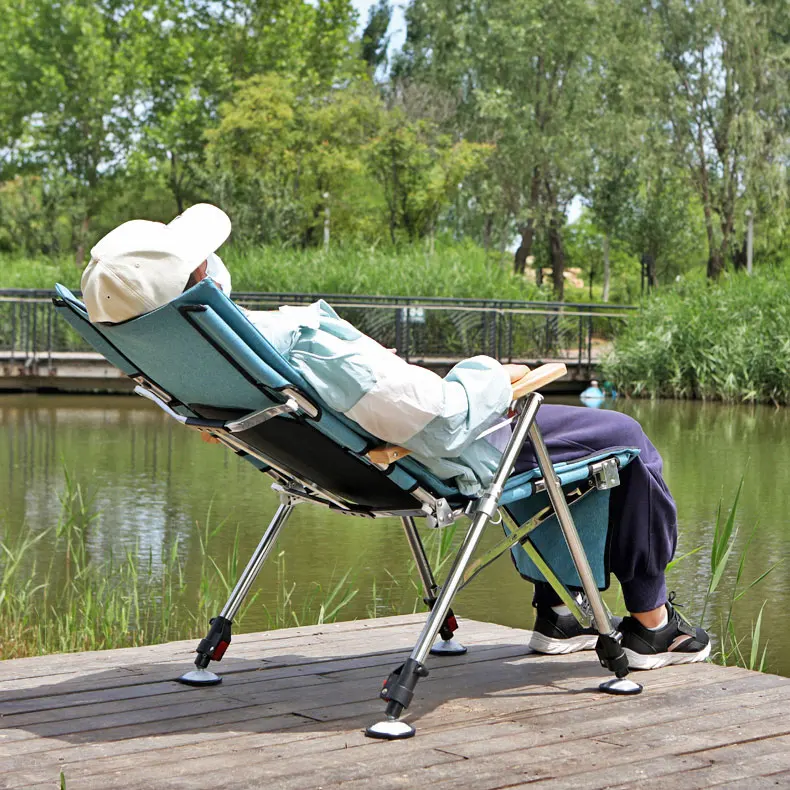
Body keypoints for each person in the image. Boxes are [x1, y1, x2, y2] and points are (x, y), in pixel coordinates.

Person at [81, 204, 710, 671]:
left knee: (562, 450)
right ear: (204, 279)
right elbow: (446, 419)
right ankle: (652, 625)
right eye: (201, 258)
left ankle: (560, 610)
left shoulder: (200, 365)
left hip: (348, 469)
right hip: (450, 451)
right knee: (626, 440)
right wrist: (498, 375)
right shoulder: (300, 341)